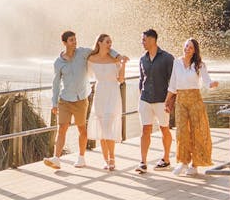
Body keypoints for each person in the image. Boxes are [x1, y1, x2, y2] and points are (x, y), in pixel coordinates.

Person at [45, 30, 119, 170]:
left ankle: (81, 157)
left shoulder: (83, 53)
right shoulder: (58, 62)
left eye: (75, 39)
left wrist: (117, 55)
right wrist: (54, 103)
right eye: (72, 40)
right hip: (65, 99)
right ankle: (56, 158)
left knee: (82, 129)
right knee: (62, 128)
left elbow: (101, 49)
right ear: (65, 43)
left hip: (81, 99)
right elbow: (55, 84)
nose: (75, 42)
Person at [164, 37, 218, 177]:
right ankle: (182, 162)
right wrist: (167, 100)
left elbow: (206, 81)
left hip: (195, 99)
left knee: (197, 130)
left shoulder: (199, 65)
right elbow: (173, 84)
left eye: (190, 47)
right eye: (186, 46)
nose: (187, 49)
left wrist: (212, 85)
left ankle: (195, 164)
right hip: (181, 99)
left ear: (194, 51)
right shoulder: (177, 62)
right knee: (181, 131)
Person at [86, 34, 129, 171]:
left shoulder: (115, 59)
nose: (110, 44)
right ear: (99, 43)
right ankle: (106, 159)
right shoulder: (91, 59)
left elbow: (121, 79)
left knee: (107, 127)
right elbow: (85, 75)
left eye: (111, 42)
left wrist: (122, 65)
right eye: (107, 42)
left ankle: (112, 158)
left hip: (113, 93)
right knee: (102, 128)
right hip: (100, 94)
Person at [136, 29, 174, 173]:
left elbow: (173, 81)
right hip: (145, 99)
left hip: (161, 100)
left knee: (164, 129)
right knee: (145, 130)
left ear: (152, 40)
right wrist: (141, 95)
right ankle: (143, 162)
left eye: (144, 39)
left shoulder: (167, 58)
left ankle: (166, 159)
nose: (142, 42)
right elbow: (141, 79)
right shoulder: (142, 59)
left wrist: (170, 101)